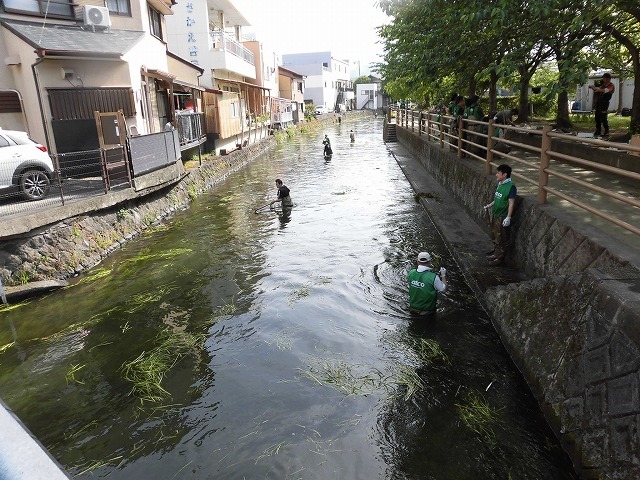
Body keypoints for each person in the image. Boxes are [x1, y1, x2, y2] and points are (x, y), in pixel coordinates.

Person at [483, 164, 517, 266]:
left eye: (498, 173)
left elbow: (511, 203)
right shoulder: (500, 184)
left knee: (502, 237)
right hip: (496, 213)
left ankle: (500, 258)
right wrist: (490, 205)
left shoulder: (511, 187)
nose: (496, 174)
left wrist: (508, 217)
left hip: (502, 215)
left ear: (505, 174)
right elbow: (497, 198)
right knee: (495, 234)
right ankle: (496, 253)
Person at [589, 73, 615, 137]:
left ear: (608, 78)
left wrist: (595, 88)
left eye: (604, 78)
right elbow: (599, 89)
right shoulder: (604, 85)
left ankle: (606, 131)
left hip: (604, 103)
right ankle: (598, 130)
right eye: (603, 78)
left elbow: (604, 90)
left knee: (603, 117)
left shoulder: (611, 85)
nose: (603, 79)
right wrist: (593, 88)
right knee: (597, 116)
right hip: (599, 102)